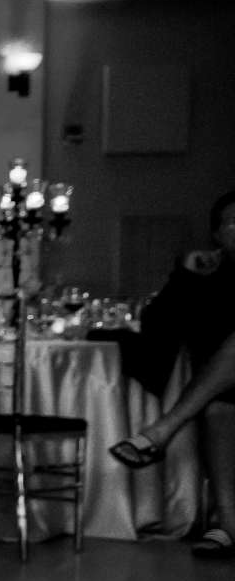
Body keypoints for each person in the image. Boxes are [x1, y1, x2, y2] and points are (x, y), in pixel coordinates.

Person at [115, 192, 235, 559]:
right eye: (233, 223)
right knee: (218, 409)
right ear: (217, 234)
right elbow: (155, 326)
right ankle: (230, 525)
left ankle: (161, 431)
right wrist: (185, 273)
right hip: (226, 390)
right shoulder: (208, 275)